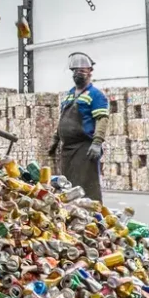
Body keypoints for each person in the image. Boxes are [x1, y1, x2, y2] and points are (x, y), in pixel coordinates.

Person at [48, 52, 109, 202]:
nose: (77, 74)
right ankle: (72, 213)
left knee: (86, 186)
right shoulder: (70, 94)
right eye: (75, 71)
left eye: (81, 71)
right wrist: (55, 140)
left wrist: (97, 142)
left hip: (84, 149)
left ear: (90, 72)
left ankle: (93, 213)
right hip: (67, 150)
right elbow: (63, 119)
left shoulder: (96, 95)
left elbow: (102, 119)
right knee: (67, 186)